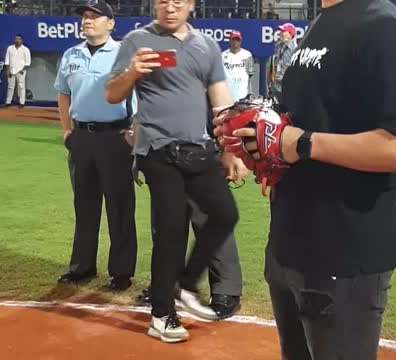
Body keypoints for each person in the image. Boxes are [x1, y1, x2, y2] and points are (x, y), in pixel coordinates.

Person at [215, 0, 396, 358]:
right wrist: (266, 149)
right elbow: (301, 124)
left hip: (345, 252)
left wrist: (301, 143)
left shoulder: (383, 26)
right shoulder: (320, 24)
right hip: (291, 245)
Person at [105, 0, 246, 343]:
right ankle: (162, 315)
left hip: (198, 149)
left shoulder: (205, 46)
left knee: (225, 213)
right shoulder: (137, 41)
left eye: (178, 1)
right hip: (156, 149)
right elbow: (112, 94)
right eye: (163, 1)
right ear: (155, 5)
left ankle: (186, 284)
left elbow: (221, 100)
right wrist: (133, 72)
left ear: (191, 5)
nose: (170, 7)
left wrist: (230, 148)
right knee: (171, 229)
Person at [54, 0, 138, 292]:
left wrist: (133, 132)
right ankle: (82, 266)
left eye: (94, 17)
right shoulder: (70, 55)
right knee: (84, 205)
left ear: (111, 23)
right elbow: (63, 94)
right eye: (84, 17)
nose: (87, 21)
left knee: (120, 207)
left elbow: (138, 98)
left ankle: (121, 271)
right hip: (82, 138)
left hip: (115, 137)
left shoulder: (123, 55)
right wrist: (67, 131)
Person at [267, 22, 297, 103]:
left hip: (288, 87)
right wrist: (269, 84)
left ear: (291, 34)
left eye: (283, 31)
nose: (280, 33)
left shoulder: (296, 49)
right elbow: (273, 64)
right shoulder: (277, 46)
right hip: (275, 86)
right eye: (281, 31)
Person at [222, 30, 254, 102]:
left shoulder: (247, 55)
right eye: (233, 39)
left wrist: (250, 93)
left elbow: (250, 75)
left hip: (243, 93)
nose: (235, 42)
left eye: (237, 40)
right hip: (228, 93)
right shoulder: (223, 55)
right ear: (230, 41)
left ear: (240, 41)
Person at [1, 34, 31, 108]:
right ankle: (8, 102)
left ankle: (22, 102)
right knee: (10, 86)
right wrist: (8, 70)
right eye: (16, 39)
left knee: (21, 86)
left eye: (19, 39)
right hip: (11, 70)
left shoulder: (25, 49)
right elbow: (7, 60)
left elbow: (28, 62)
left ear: (21, 40)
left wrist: (22, 70)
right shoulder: (10, 48)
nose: (17, 40)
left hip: (21, 71)